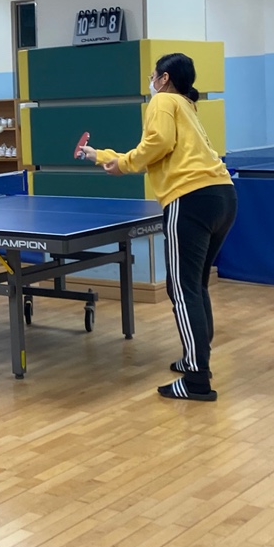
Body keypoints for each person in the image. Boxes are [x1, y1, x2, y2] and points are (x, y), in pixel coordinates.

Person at [81, 53, 236, 402]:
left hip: (190, 198)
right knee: (195, 284)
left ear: (165, 78)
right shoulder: (186, 105)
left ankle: (196, 378)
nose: (151, 81)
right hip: (222, 196)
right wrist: (105, 156)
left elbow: (157, 144)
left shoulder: (163, 101)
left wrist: (124, 165)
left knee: (181, 288)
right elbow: (157, 149)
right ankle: (196, 358)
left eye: (153, 75)